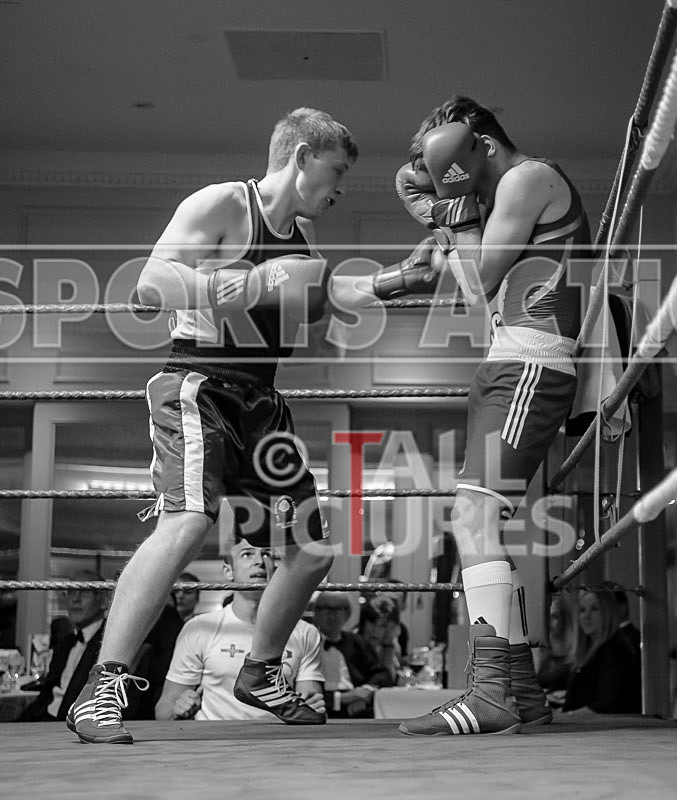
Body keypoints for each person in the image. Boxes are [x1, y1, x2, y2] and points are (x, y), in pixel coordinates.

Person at [65, 106, 457, 744]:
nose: (338, 190)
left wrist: (405, 280)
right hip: (198, 384)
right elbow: (148, 286)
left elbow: (333, 293)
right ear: (301, 156)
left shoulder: (301, 246)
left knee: (312, 550)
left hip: (260, 403)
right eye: (334, 173)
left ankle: (261, 671)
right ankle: (101, 686)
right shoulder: (224, 203)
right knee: (189, 521)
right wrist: (247, 284)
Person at [393, 96, 594, 735]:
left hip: (531, 365)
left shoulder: (528, 177)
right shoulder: (495, 193)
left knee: (472, 516)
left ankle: (490, 694)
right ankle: (523, 692)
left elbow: (477, 281)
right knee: (480, 520)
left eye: (443, 157)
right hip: (505, 363)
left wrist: (447, 215)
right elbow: (473, 287)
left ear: (475, 140)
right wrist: (448, 218)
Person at [155, 537, 324, 721]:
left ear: (276, 569)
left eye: (266, 554)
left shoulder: (305, 632)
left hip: (279, 744)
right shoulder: (200, 628)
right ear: (228, 571)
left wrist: (314, 707)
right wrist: (178, 710)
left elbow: (311, 704)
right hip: (214, 744)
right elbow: (164, 709)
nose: (259, 561)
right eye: (247, 554)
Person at [17, 571, 116, 722]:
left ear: (103, 600)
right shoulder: (65, 644)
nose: (75, 599)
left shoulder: (109, 645)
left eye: (84, 592)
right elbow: (46, 696)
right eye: (71, 592)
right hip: (41, 720)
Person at [312, 590, 393, 718]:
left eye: (337, 609)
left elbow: (382, 674)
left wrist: (365, 693)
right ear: (315, 612)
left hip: (357, 709)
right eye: (326, 608)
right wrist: (340, 698)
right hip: (320, 708)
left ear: (347, 614)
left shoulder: (357, 642)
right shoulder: (306, 644)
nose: (332, 615)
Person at [561, 587, 641, 714]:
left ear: (607, 612)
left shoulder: (614, 650)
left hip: (605, 730)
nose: (587, 616)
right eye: (582, 610)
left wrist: (567, 716)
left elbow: (606, 704)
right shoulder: (590, 649)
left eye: (594, 609)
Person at [355, 596, 403, 687]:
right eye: (372, 623)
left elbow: (389, 680)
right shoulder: (351, 644)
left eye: (382, 625)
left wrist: (388, 645)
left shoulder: (390, 646)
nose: (375, 630)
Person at [537, 593, 576, 696]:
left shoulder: (576, 652)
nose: (550, 622)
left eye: (555, 616)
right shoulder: (540, 651)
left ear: (564, 618)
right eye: (547, 616)